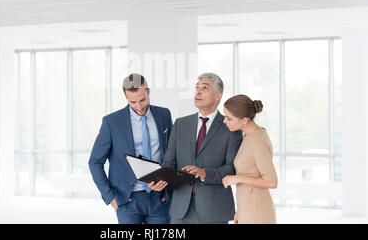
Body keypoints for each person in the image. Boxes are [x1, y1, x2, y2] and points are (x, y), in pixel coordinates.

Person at [149, 73, 243, 224]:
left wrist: (205, 173)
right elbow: (169, 162)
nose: (198, 92)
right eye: (196, 88)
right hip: (180, 210)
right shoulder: (180, 124)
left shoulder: (231, 128)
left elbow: (232, 168)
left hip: (213, 210)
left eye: (204, 88)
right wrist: (160, 179)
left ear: (218, 96)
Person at [88, 73, 173, 224]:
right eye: (133, 102)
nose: (139, 107)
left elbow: (172, 153)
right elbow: (95, 161)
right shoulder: (112, 122)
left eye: (142, 100)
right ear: (126, 97)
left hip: (159, 198)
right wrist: (110, 197)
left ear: (148, 91)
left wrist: (168, 184)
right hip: (127, 199)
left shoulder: (164, 115)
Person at [221, 94, 278, 224]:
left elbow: (272, 181)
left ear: (244, 120)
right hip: (248, 209)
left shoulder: (258, 141)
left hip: (257, 212)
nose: (224, 121)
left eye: (229, 118)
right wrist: (241, 211)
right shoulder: (248, 136)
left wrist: (237, 178)